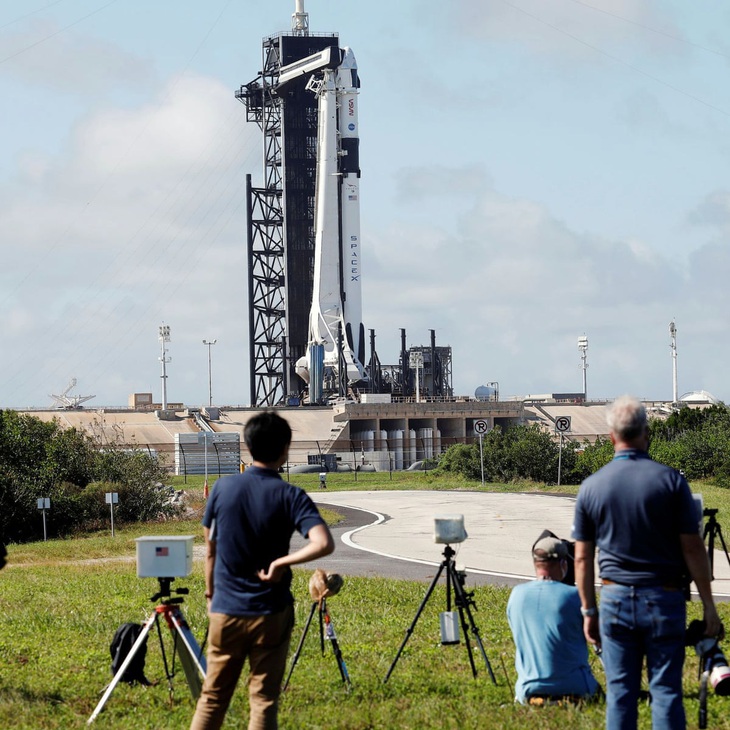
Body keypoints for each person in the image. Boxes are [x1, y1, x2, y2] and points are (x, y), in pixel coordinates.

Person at [573, 395, 723, 730]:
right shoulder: (671, 482)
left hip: (614, 599)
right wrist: (709, 605)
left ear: (612, 436)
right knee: (666, 690)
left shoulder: (591, 487)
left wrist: (588, 611)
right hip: (663, 598)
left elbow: (582, 557)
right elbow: (693, 549)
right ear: (646, 432)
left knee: (621, 692)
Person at [190, 411, 335, 730]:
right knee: (263, 701)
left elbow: (210, 550)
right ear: (286, 448)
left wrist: (210, 597)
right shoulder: (290, 495)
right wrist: (281, 563)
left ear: (248, 445)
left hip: (225, 610)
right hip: (270, 611)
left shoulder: (222, 489)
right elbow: (323, 543)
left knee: (212, 698)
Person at [507, 534, 600, 704]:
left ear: (536, 563)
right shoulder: (575, 597)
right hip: (576, 688)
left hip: (528, 690)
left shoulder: (516, 595)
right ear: (564, 564)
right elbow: (597, 640)